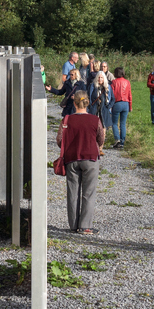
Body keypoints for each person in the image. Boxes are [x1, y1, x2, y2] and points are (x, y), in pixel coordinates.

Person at [56, 91, 105, 233]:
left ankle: (73, 225)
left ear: (74, 103)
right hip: (90, 158)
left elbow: (60, 140)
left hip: (71, 159)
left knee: (73, 192)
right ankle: (85, 226)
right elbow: (101, 139)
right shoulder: (95, 120)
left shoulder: (66, 120)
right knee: (88, 193)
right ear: (87, 103)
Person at [109, 67, 132, 148]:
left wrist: (110, 105)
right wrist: (130, 106)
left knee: (114, 123)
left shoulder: (114, 82)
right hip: (126, 103)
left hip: (117, 103)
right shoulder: (127, 82)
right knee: (123, 124)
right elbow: (129, 95)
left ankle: (117, 139)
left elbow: (112, 95)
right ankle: (122, 142)